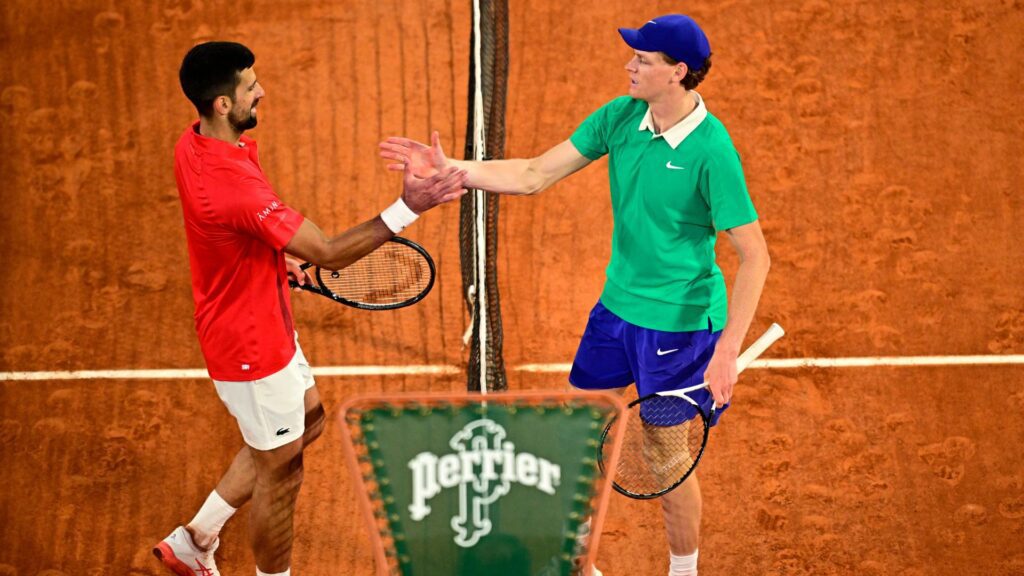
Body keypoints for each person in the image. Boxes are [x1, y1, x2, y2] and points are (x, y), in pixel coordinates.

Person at [379, 14, 770, 576]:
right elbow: (535, 173)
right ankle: (578, 564)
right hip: (615, 312)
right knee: (577, 432)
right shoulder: (622, 116)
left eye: (643, 60)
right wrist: (452, 169)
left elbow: (755, 255)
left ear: (677, 72)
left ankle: (683, 572)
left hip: (679, 329)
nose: (629, 66)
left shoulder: (712, 151)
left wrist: (727, 350)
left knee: (665, 459)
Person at [154, 41, 468, 576]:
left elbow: (232, 230)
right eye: (250, 86)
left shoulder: (197, 143)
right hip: (251, 347)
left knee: (308, 421)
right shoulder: (234, 187)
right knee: (282, 475)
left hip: (259, 321)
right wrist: (408, 206)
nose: (261, 91)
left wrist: (272, 257)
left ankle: (197, 537)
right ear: (223, 104)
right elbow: (327, 252)